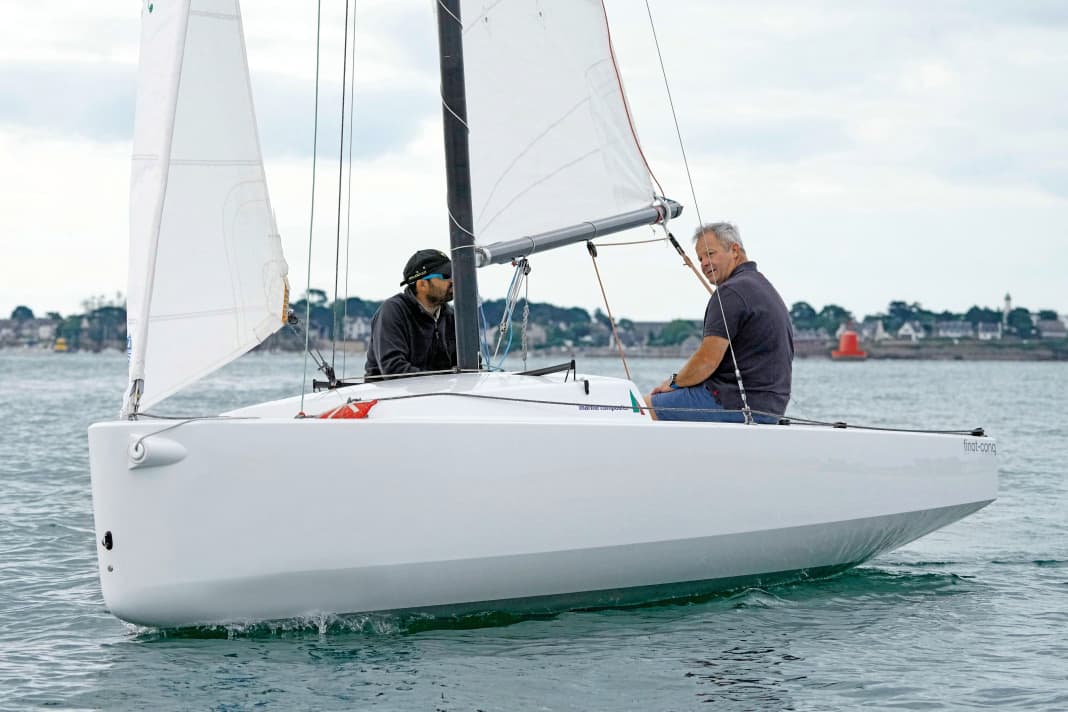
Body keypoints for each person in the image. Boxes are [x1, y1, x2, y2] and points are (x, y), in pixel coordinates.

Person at [646, 222, 793, 423]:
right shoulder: (763, 286)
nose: (704, 263)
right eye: (700, 258)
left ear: (734, 250)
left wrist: (673, 383)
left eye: (710, 254)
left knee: (642, 407)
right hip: (770, 409)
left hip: (734, 403)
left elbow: (706, 362)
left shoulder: (730, 292)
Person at [365, 249, 458, 377]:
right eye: (446, 275)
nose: (453, 281)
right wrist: (444, 383)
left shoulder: (452, 317)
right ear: (422, 285)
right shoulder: (393, 311)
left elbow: (470, 366)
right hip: (391, 394)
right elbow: (393, 369)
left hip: (440, 394)